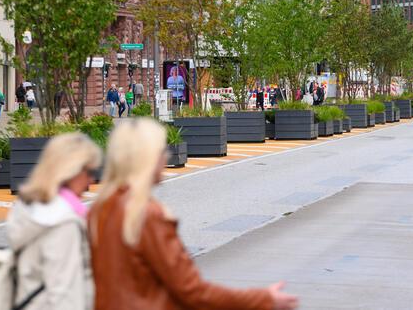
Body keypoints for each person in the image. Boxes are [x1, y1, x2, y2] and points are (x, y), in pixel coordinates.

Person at [88, 119, 299, 310]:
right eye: (162, 151)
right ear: (148, 158)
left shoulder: (100, 210)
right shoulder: (147, 216)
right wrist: (262, 299)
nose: (166, 157)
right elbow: (191, 291)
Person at [6, 133, 101, 309]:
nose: (92, 180)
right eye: (89, 171)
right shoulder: (65, 221)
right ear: (71, 170)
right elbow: (64, 292)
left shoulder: (27, 207)